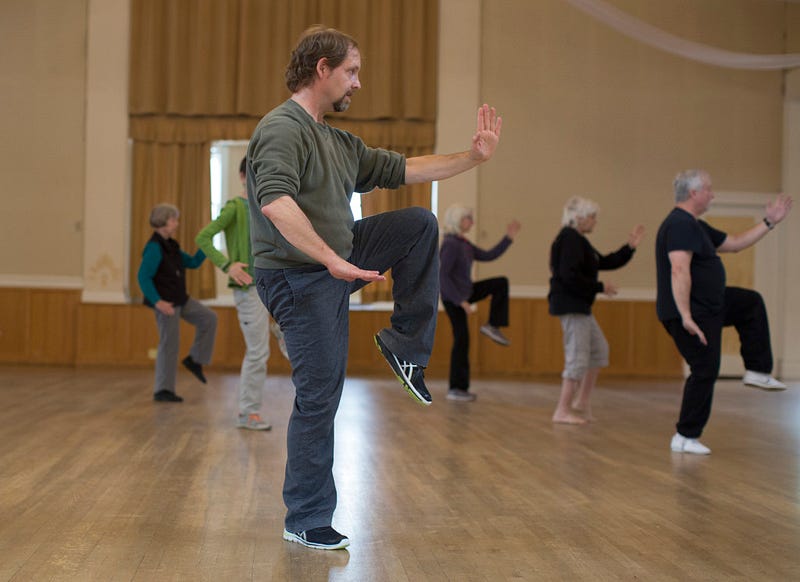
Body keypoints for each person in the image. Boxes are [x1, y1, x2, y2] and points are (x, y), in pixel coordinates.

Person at [246, 26, 502, 550]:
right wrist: (333, 261)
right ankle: (305, 518)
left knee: (419, 223)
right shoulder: (282, 128)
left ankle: (405, 344)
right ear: (322, 69)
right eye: (352, 71)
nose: (358, 83)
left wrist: (472, 158)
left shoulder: (337, 140)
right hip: (297, 275)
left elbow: (407, 169)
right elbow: (274, 203)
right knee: (321, 395)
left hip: (334, 257)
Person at [656, 169, 792, 455]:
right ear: (694, 193)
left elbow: (734, 243)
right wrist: (686, 316)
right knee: (705, 368)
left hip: (711, 306)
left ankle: (757, 370)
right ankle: (684, 436)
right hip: (692, 311)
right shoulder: (679, 224)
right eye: (709, 189)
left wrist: (769, 222)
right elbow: (679, 270)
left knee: (749, 303)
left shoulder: (696, 226)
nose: (712, 194)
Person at [196, 157, 289, 431]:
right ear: (241, 177)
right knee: (258, 353)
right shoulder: (235, 208)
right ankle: (248, 413)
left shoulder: (272, 206)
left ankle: (279, 328)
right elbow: (203, 238)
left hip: (273, 285)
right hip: (249, 290)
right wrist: (228, 265)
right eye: (253, 175)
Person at [548, 196, 644, 424]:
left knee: (599, 351)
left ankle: (581, 401)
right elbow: (568, 276)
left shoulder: (579, 241)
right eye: (592, 217)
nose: (595, 222)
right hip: (572, 306)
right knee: (577, 358)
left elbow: (603, 262)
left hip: (581, 306)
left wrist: (629, 248)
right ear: (578, 218)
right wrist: (600, 287)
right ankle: (562, 410)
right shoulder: (569, 239)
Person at [439, 204, 521, 402]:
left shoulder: (464, 243)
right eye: (469, 218)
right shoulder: (450, 244)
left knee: (501, 283)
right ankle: (456, 388)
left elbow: (488, 255)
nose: (472, 222)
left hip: (467, 292)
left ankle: (493, 325)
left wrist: (508, 238)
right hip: (453, 298)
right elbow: (443, 277)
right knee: (462, 339)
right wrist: (461, 301)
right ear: (459, 220)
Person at [137, 203, 218, 403]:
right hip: (166, 304)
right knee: (169, 344)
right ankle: (163, 390)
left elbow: (192, 262)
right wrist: (158, 302)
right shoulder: (154, 248)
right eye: (173, 219)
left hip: (181, 299)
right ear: (162, 222)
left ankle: (195, 359)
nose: (177, 223)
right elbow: (143, 277)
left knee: (209, 318)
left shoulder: (171, 245)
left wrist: (206, 247)